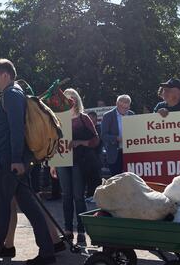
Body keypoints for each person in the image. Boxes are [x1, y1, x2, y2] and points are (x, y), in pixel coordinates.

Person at [0, 59, 56, 265]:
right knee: (29, 206)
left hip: (9, 161)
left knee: (0, 207)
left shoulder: (12, 94)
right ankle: (47, 250)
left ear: (5, 75)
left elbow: (17, 129)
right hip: (11, 159)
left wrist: (15, 159)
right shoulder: (12, 94)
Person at [52, 88, 100, 247]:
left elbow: (95, 140)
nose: (69, 101)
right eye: (66, 98)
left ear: (77, 100)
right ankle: (67, 230)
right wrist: (52, 163)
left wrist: (80, 143)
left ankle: (81, 231)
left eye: (72, 98)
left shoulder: (83, 118)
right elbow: (52, 142)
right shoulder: (57, 119)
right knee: (66, 196)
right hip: (62, 162)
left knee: (78, 196)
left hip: (79, 162)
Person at [100, 95, 134, 176]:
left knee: (130, 178)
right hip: (114, 152)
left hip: (129, 151)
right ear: (117, 104)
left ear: (129, 106)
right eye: (122, 107)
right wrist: (116, 138)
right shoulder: (107, 116)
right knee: (116, 178)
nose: (124, 110)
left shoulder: (131, 114)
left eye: (126, 108)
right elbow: (103, 136)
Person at [85, 110, 103, 199]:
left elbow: (97, 143)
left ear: (95, 118)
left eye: (90, 118)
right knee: (89, 177)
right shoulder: (86, 129)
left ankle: (97, 197)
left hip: (96, 157)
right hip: (88, 158)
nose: (88, 120)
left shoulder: (99, 128)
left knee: (96, 178)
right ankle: (90, 195)